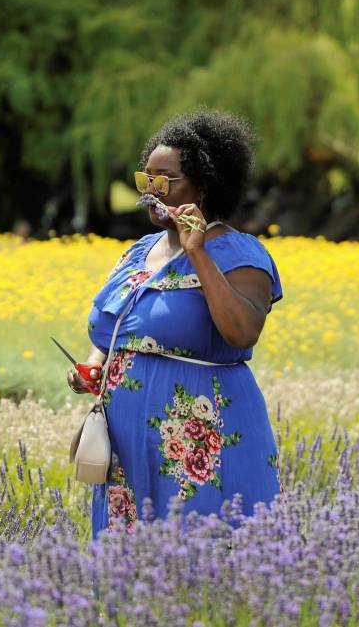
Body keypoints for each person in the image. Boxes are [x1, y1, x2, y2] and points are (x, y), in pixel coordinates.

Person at [68, 110, 282, 536]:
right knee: (129, 563)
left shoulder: (241, 254)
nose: (151, 191)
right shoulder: (137, 253)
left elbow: (242, 331)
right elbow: (112, 326)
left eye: (164, 180)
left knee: (202, 554)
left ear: (202, 187)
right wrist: (94, 364)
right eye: (145, 179)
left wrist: (197, 251)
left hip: (202, 431)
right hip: (127, 436)